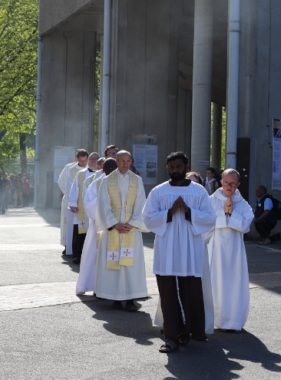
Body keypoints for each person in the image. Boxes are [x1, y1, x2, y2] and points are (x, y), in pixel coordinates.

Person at [143, 151, 217, 353]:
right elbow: (147, 217)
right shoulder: (159, 191)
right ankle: (171, 337)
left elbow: (211, 218)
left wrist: (189, 212)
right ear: (167, 168)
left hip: (190, 249)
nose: (176, 170)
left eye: (179, 166)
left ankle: (190, 332)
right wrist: (169, 212)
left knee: (190, 292)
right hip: (167, 249)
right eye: (172, 167)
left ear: (186, 166)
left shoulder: (198, 191)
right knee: (168, 294)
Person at [94, 151, 148, 311]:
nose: (125, 164)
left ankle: (131, 298)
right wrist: (114, 223)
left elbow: (141, 203)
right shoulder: (106, 181)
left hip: (131, 228)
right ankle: (114, 297)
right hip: (113, 228)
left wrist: (132, 223)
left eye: (127, 161)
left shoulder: (137, 180)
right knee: (114, 262)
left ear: (131, 161)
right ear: (116, 161)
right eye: (122, 161)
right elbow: (103, 204)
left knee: (130, 265)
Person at [206, 169, 252, 331]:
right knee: (215, 283)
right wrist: (223, 213)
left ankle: (232, 321)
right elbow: (204, 222)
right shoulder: (211, 200)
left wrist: (231, 215)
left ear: (238, 184)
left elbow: (246, 225)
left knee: (233, 284)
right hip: (215, 250)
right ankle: (214, 319)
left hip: (235, 253)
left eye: (233, 184)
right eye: (226, 183)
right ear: (221, 182)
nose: (229, 187)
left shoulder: (242, 203)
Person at [75, 159, 114, 295]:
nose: (110, 169)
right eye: (107, 167)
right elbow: (88, 204)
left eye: (113, 167)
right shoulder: (96, 184)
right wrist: (106, 204)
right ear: (102, 169)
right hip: (99, 226)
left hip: (118, 227)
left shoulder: (124, 183)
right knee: (95, 256)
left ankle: (113, 288)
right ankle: (96, 287)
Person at [68, 152, 99, 264]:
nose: (93, 161)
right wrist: (72, 202)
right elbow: (75, 188)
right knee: (79, 233)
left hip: (96, 209)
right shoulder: (81, 174)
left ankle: (93, 258)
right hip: (82, 209)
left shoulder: (102, 174)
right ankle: (77, 255)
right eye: (91, 159)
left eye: (95, 159)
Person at [58, 149, 88, 257]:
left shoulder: (90, 168)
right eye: (81, 160)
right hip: (71, 200)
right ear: (76, 159)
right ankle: (68, 246)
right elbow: (61, 181)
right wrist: (72, 195)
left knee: (83, 224)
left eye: (85, 160)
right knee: (70, 224)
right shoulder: (69, 168)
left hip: (85, 201)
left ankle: (81, 248)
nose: (84, 163)